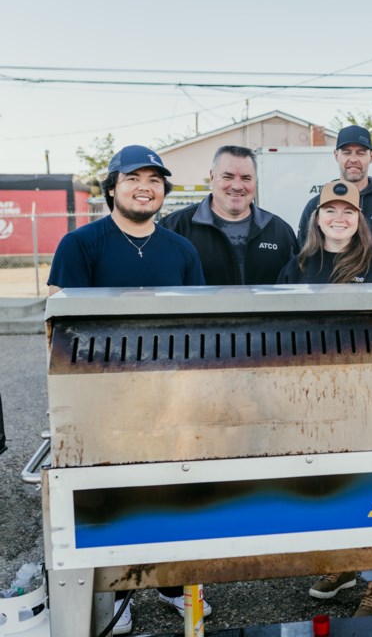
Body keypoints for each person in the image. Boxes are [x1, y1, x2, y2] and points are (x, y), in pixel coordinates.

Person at [47, 145, 209, 634]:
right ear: (112, 187)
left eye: (155, 179)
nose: (146, 187)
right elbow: (59, 329)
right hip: (102, 400)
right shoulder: (80, 245)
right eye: (134, 178)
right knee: (112, 500)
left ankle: (172, 584)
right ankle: (118, 592)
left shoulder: (181, 250)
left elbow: (203, 325)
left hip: (170, 397)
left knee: (175, 494)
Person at [278, 179, 372, 618]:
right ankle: (342, 565)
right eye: (330, 211)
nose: (339, 218)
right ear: (317, 218)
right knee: (328, 487)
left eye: (349, 212)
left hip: (369, 400)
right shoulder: (298, 266)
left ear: (360, 221)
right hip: (312, 401)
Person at [160, 145, 296, 285]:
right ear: (212, 177)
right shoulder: (175, 227)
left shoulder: (280, 231)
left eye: (246, 178)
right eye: (228, 177)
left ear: (255, 181)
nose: (237, 186)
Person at [295, 125, 372, 248]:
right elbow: (304, 254)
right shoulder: (316, 204)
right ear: (336, 155)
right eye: (346, 153)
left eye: (360, 153)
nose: (353, 159)